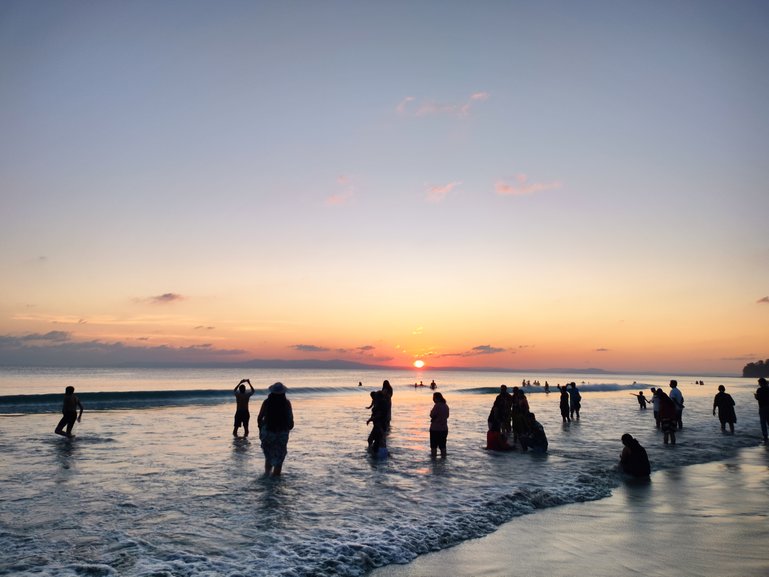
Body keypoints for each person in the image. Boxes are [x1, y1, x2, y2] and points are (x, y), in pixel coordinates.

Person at [257, 382, 294, 476]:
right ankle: (275, 482)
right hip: (281, 433)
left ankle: (266, 476)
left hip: (267, 433)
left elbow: (259, 418)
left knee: (268, 457)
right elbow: (291, 423)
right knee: (279, 460)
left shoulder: (267, 402)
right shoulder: (286, 403)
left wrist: (261, 430)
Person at [429, 392, 449, 458]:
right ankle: (443, 462)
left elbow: (431, 415)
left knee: (434, 447)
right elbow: (447, 416)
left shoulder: (437, 406)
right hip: (444, 429)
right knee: (443, 446)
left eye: (434, 398)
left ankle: (433, 463)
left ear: (437, 398)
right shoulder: (446, 406)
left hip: (435, 429)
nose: (433, 399)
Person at [755, 377, 769, 443]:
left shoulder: (759, 390)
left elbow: (758, 398)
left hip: (762, 407)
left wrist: (756, 396)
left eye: (759, 383)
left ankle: (765, 436)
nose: (759, 384)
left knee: (763, 422)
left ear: (761, 383)